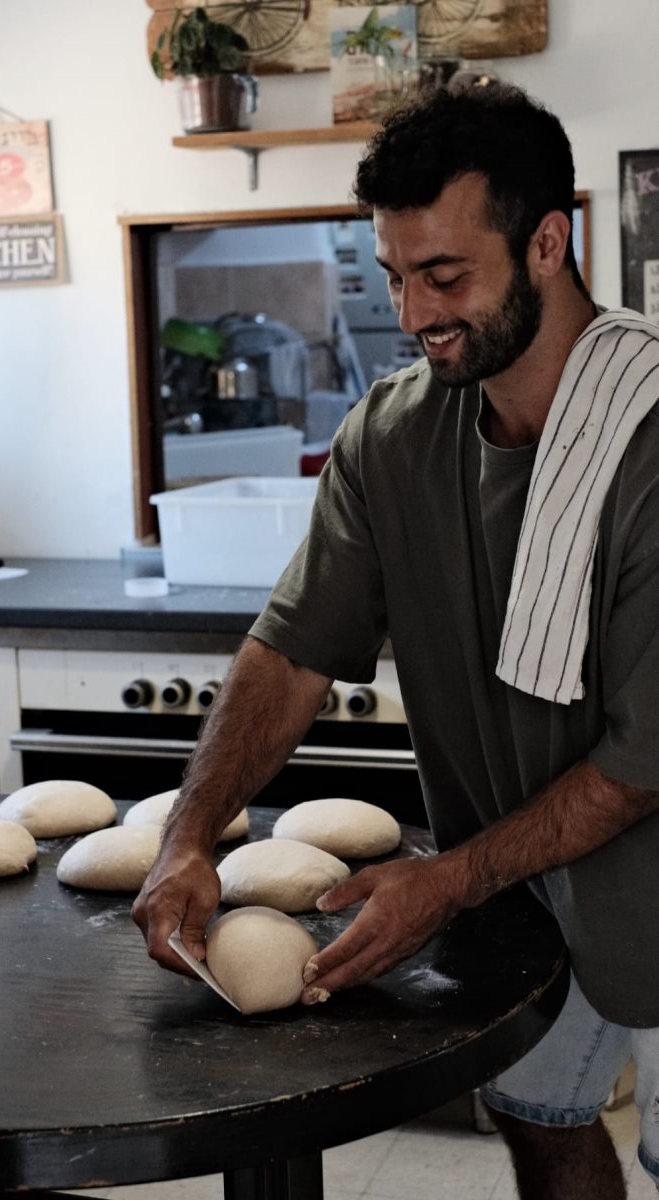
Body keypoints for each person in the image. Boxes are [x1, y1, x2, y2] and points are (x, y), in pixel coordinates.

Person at [132, 83, 659, 1199]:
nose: (412, 312)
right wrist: (188, 834)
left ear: (547, 244)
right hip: (523, 899)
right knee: (542, 1123)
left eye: (445, 276)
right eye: (392, 275)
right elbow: (290, 649)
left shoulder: (649, 439)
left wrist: (443, 882)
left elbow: (637, 761)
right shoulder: (394, 431)